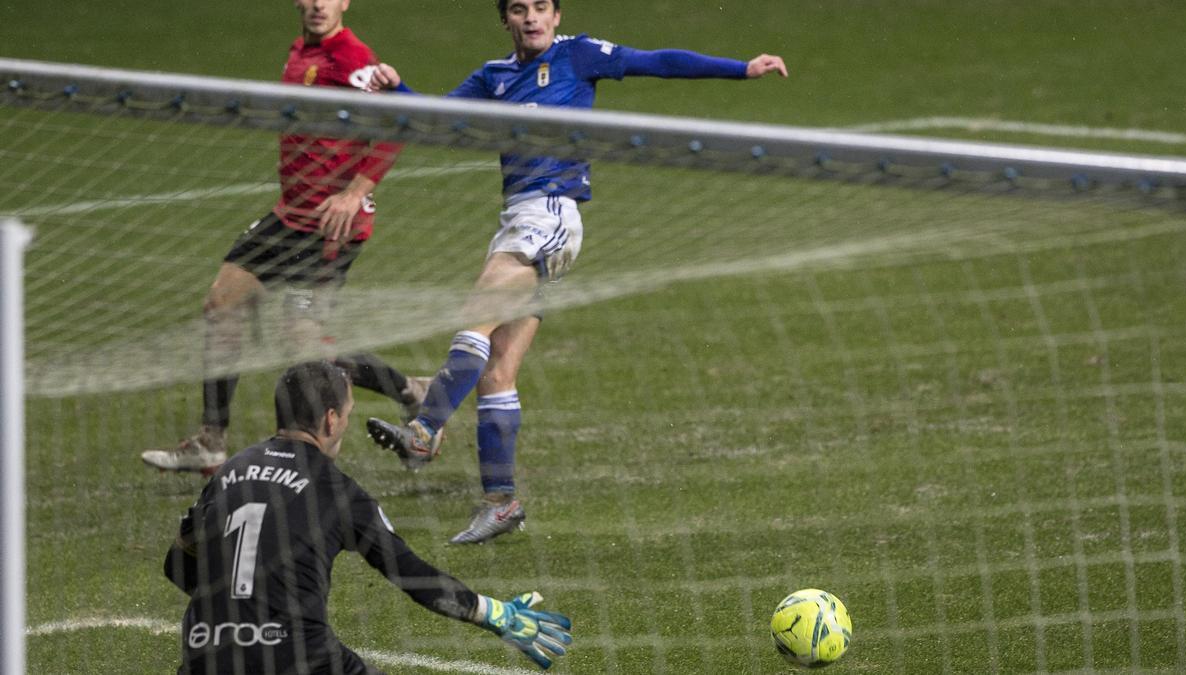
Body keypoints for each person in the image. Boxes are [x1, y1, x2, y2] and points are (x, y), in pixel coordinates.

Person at [363, 0, 789, 543]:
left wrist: (741, 67)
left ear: (557, 16)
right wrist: (397, 89)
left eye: (542, 7)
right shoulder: (493, 78)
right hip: (519, 221)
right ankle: (500, 502)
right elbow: (436, 121)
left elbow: (656, 60)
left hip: (552, 215)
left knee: (473, 320)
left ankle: (424, 431)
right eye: (520, 9)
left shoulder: (579, 56)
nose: (532, 17)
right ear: (506, 20)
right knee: (496, 371)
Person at [142, 0, 427, 475]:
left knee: (307, 345)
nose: (318, 4)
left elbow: (402, 123)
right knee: (222, 305)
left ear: (345, 2)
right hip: (289, 216)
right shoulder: (300, 51)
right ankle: (211, 441)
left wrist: (354, 193)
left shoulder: (351, 57)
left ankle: (408, 394)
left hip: (333, 225)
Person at [163, 361, 573, 674]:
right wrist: (494, 613)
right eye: (347, 412)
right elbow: (412, 577)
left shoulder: (230, 471)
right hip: (299, 657)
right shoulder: (338, 491)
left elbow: (176, 566)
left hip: (202, 655)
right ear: (330, 419)